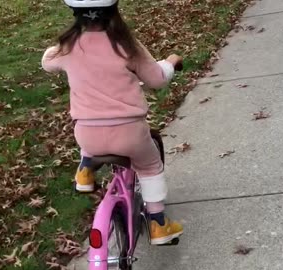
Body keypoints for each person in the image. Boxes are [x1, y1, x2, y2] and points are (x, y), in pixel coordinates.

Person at [41, 0, 183, 245]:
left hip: (87, 133)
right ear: (114, 10)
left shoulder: (68, 47)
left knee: (89, 136)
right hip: (129, 133)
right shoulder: (127, 46)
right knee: (149, 167)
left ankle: (85, 171)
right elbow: (157, 79)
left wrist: (56, 48)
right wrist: (170, 62)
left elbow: (47, 63)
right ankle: (159, 224)